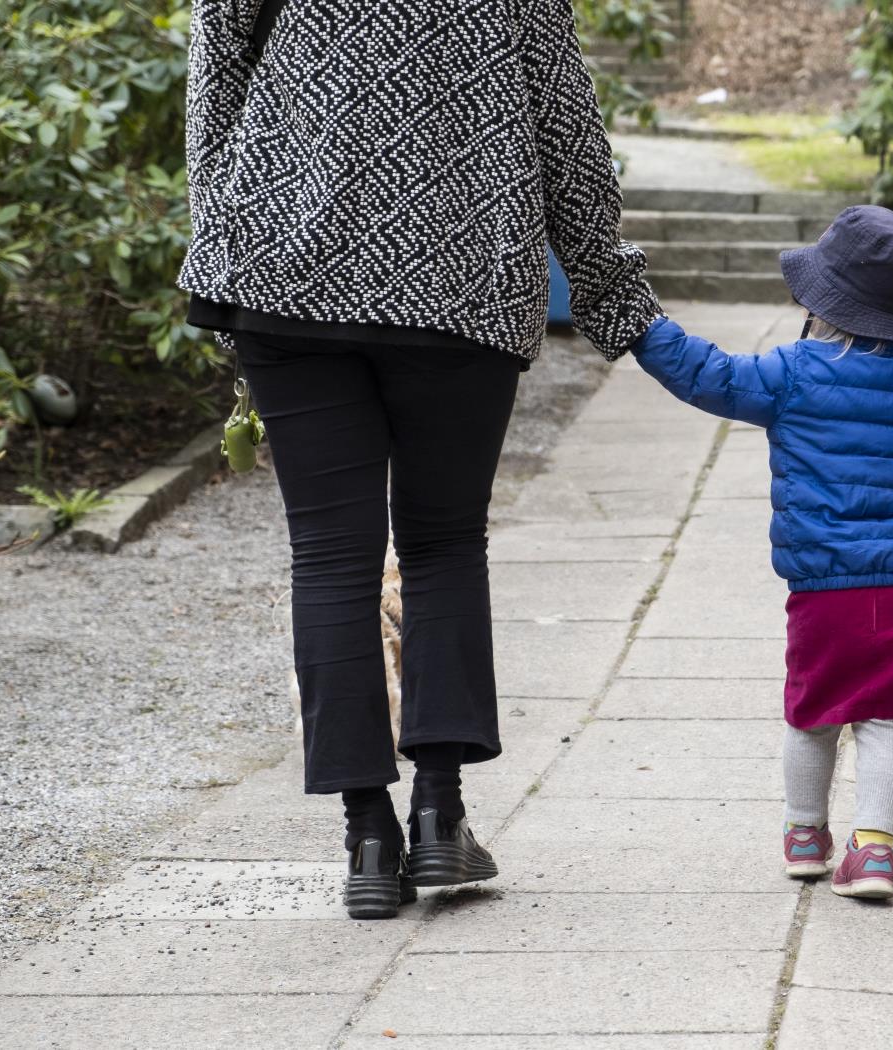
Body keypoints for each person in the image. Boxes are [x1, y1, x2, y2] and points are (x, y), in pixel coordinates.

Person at [178, 0, 660, 918]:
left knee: (329, 555)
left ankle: (368, 838)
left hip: (290, 261)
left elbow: (216, 76)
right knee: (443, 543)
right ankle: (441, 820)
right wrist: (609, 295)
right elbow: (563, 118)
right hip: (465, 277)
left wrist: (223, 246)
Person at [633, 206, 893, 899]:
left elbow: (707, 374)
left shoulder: (792, 373)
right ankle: (873, 852)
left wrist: (645, 328)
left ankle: (805, 833)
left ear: (823, 304)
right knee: (886, 719)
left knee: (814, 711)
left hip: (823, 586)